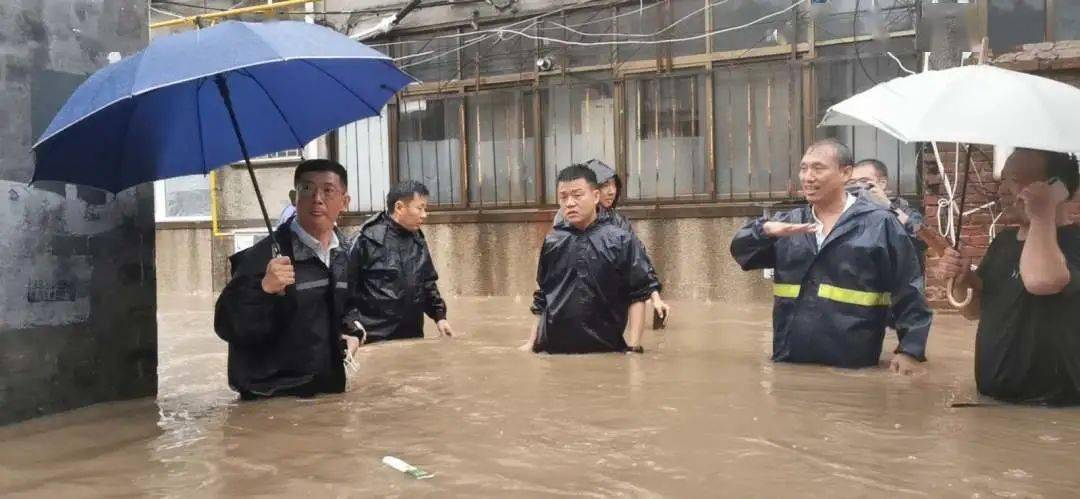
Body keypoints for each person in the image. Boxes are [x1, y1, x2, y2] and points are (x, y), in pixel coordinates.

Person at [730, 139, 932, 374]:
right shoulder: (789, 224)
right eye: (803, 168)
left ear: (845, 173)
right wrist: (763, 230)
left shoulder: (879, 224)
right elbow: (741, 253)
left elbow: (908, 288)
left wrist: (910, 350)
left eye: (818, 168)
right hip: (790, 364)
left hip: (853, 367)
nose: (808, 177)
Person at [938, 148, 1080, 405]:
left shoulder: (1075, 242)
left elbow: (1042, 281)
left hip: (1054, 412)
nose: (1003, 189)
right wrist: (962, 281)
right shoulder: (1003, 242)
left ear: (1057, 188)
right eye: (1004, 179)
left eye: (1014, 180)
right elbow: (975, 310)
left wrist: (1042, 214)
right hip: (993, 406)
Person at [214, 159, 358, 399]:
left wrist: (353, 332)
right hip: (272, 397)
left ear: (344, 202)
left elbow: (349, 306)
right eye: (307, 189)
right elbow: (226, 325)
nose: (317, 198)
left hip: (326, 393)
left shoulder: (343, 253)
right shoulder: (261, 257)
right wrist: (263, 289)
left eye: (328, 190)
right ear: (294, 197)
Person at [522, 164, 659, 354]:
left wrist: (634, 348)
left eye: (577, 195)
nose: (569, 203)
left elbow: (638, 294)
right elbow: (543, 296)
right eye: (563, 197)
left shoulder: (621, 239)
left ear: (595, 197)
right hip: (553, 352)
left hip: (606, 351)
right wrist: (531, 344)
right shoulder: (553, 241)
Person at [552, 160, 671, 325]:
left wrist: (655, 297)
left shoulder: (617, 221)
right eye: (605, 185)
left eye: (614, 185)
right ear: (592, 190)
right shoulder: (567, 216)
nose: (611, 191)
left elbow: (638, 259)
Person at [344, 181, 454, 343]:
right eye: (420, 208)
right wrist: (352, 328)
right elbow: (345, 289)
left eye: (425, 208)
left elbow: (427, 282)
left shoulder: (417, 239)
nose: (424, 214)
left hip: (412, 335)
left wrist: (440, 317)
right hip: (375, 338)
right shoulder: (366, 239)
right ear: (399, 207)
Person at [849, 158, 929, 262]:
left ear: (882, 183)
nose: (858, 187)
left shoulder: (902, 209)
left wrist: (888, 206)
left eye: (864, 181)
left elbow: (922, 236)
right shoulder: (849, 212)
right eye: (852, 183)